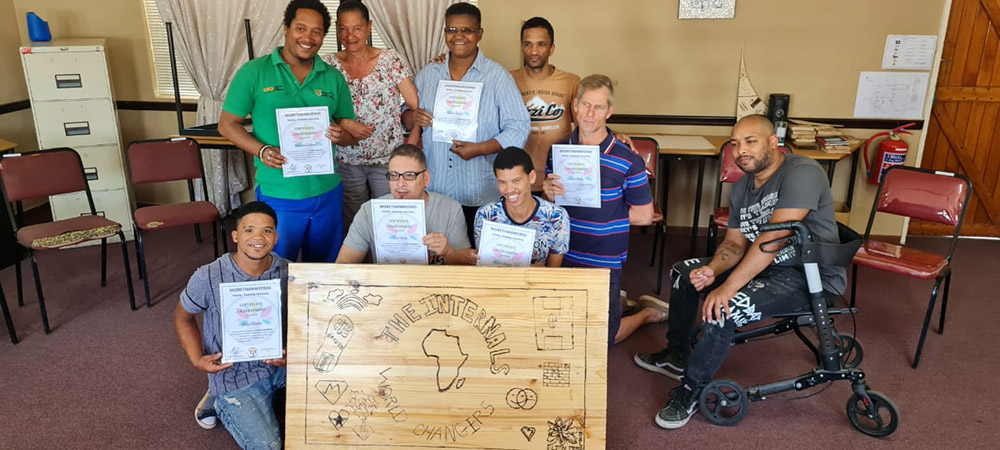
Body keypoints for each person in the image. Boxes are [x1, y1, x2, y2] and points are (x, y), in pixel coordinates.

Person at [633, 114, 845, 430]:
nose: (740, 150)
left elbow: (774, 239)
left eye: (750, 141)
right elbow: (734, 244)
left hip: (809, 276)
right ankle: (676, 356)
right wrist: (712, 270)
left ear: (773, 142)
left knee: (724, 307)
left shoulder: (803, 172)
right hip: (764, 267)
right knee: (684, 274)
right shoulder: (744, 186)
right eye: (734, 144)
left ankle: (691, 390)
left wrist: (727, 287)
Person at [219, 0, 359, 263]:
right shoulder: (254, 72)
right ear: (286, 28)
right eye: (301, 28)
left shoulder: (333, 77)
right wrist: (261, 150)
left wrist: (343, 135)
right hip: (279, 193)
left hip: (327, 191)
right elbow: (227, 124)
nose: (308, 38)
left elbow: (350, 134)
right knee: (276, 265)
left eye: (316, 32)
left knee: (325, 268)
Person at [542, 74, 666, 347]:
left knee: (601, 341)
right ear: (575, 105)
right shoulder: (558, 151)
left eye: (599, 107)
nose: (590, 113)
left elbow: (644, 216)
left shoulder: (628, 159)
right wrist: (547, 194)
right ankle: (618, 303)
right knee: (560, 330)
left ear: (609, 111)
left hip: (603, 258)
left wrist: (600, 210)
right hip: (563, 253)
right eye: (585, 104)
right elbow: (551, 206)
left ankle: (646, 314)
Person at [404, 2, 530, 244]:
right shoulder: (428, 74)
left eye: (467, 30)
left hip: (480, 193)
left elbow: (519, 126)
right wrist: (412, 117)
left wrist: (481, 148)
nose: (458, 36)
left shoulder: (498, 77)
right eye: (451, 30)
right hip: (436, 190)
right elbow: (406, 115)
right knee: (436, 255)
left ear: (480, 34)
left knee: (476, 257)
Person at [175, 201, 289, 449]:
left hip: (281, 366)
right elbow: (183, 317)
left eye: (267, 231)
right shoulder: (208, 276)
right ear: (235, 236)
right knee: (269, 447)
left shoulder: (288, 271)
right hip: (234, 375)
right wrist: (196, 359)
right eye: (249, 230)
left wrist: (292, 353)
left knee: (333, 402)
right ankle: (217, 398)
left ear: (276, 238)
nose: (258, 237)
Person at [322, 0, 421, 231]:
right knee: (355, 224)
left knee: (391, 222)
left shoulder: (389, 60)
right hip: (346, 161)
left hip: (387, 161)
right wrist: (346, 122)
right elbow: (319, 109)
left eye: (357, 28)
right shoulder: (328, 65)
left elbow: (415, 106)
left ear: (369, 27)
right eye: (344, 29)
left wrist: (410, 149)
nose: (350, 36)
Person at [336, 144, 476, 265]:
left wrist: (448, 251)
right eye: (394, 175)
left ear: (426, 178)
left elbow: (466, 264)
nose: (400, 183)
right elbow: (343, 264)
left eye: (409, 175)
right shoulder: (369, 211)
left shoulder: (450, 209)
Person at [509, 17, 579, 192]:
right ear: (522, 47)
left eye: (541, 44)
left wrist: (614, 135)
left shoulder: (571, 81)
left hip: (559, 180)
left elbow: (585, 127)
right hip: (519, 180)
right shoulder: (508, 79)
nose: (534, 51)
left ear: (551, 48)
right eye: (528, 44)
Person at [474, 146, 569, 267]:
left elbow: (554, 271)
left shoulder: (557, 216)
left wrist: (543, 272)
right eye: (502, 182)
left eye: (516, 180)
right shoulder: (485, 215)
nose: (509, 189)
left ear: (532, 177)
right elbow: (484, 266)